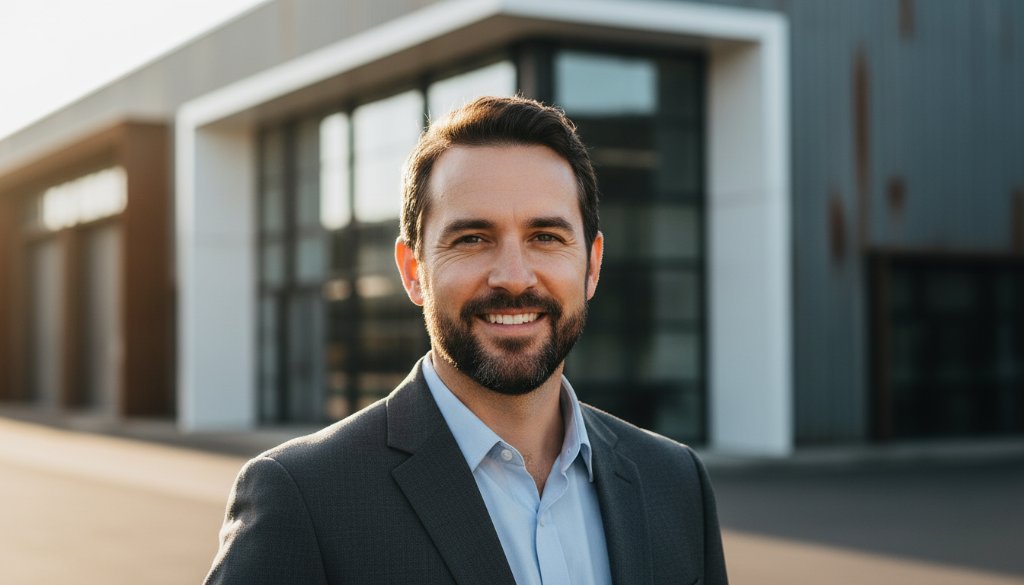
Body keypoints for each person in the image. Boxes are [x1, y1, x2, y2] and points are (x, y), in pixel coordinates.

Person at [204, 96, 728, 585]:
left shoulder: (674, 482)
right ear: (413, 271)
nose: (514, 277)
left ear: (592, 265)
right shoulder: (303, 498)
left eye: (546, 237)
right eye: (472, 239)